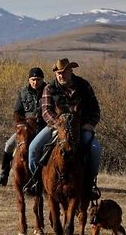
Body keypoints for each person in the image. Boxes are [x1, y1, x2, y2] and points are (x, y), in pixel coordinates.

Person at [25, 59, 101, 199]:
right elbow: (46, 111)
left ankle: (89, 185)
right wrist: (59, 125)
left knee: (95, 150)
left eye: (63, 72)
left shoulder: (84, 86)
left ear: (70, 71)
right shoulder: (50, 88)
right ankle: (37, 182)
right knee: (33, 148)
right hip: (56, 127)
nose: (61, 75)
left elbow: (95, 109)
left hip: (81, 128)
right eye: (58, 73)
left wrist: (90, 124)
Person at [0, 67, 46, 186]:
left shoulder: (48, 91)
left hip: (43, 127)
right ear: (29, 80)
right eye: (32, 79)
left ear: (42, 80)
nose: (35, 82)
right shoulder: (23, 93)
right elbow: (17, 112)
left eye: (38, 79)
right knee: (9, 145)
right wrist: (20, 124)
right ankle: (4, 174)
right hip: (26, 128)